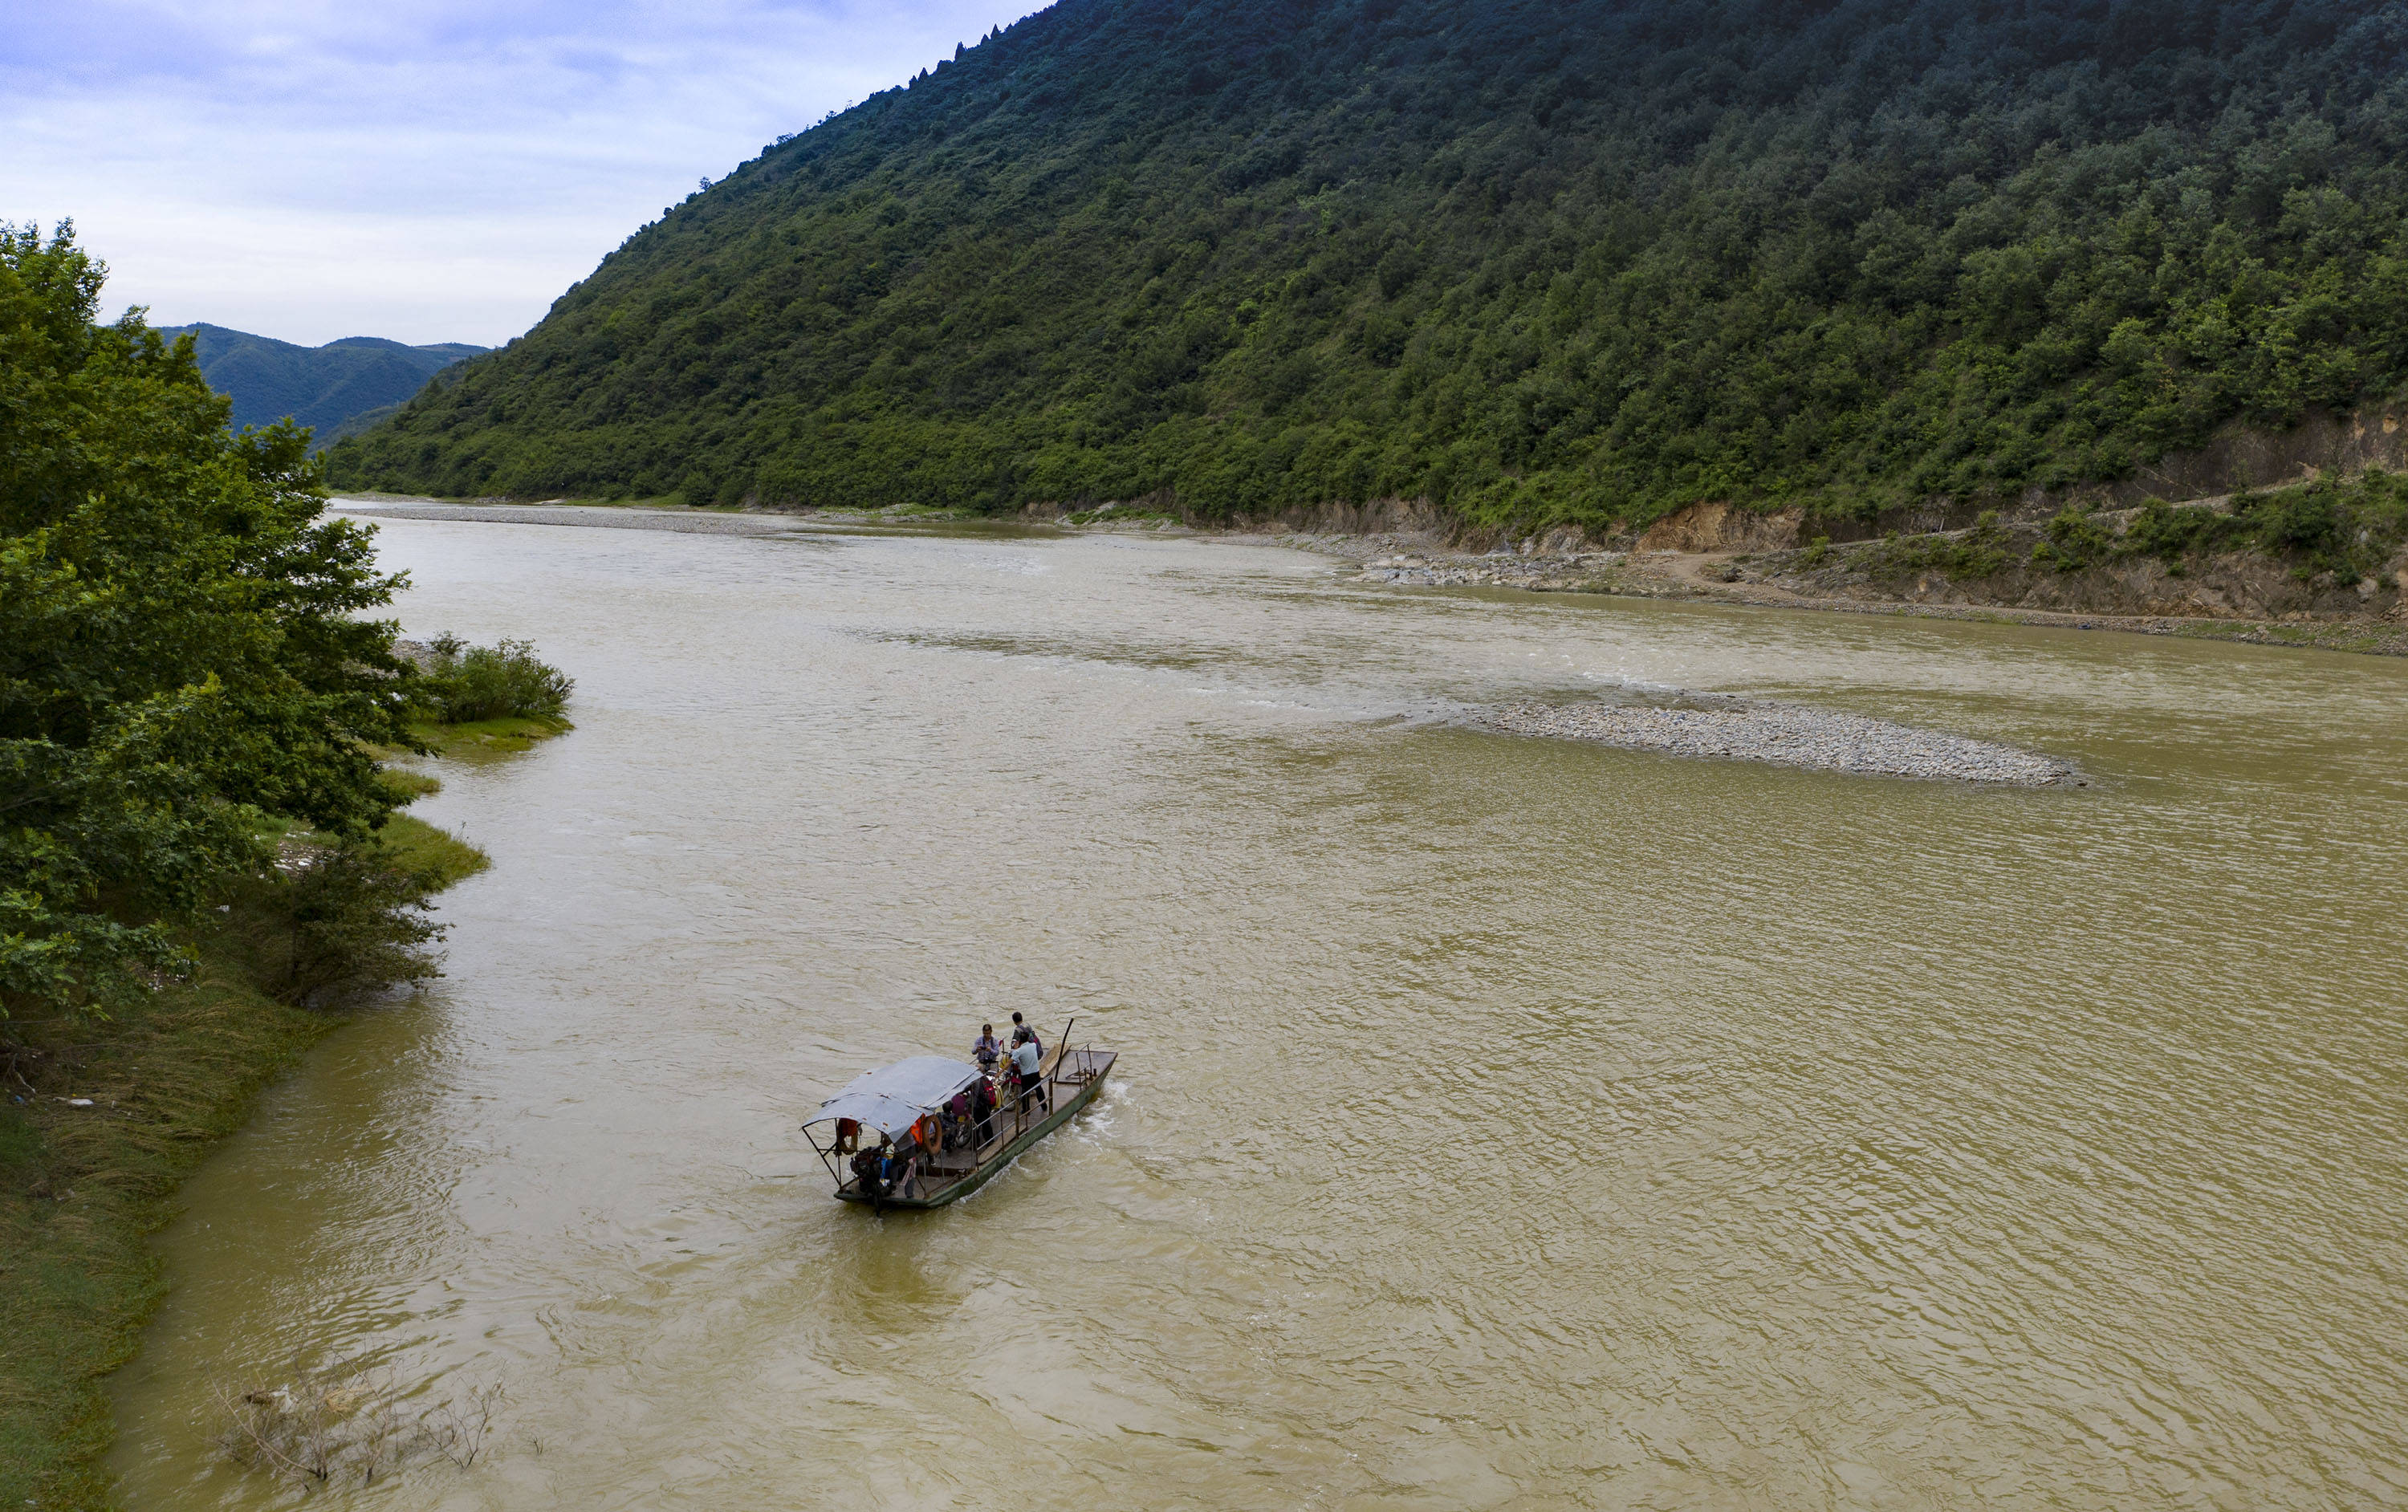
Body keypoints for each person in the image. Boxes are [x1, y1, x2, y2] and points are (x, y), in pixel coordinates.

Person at [1010, 1032, 1047, 1117]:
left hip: (1026, 1075)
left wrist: (1015, 1049)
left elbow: (1012, 1059)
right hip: (1035, 1072)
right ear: (1027, 1039)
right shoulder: (1033, 1045)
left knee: (1025, 1092)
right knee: (1039, 1089)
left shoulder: (1019, 1051)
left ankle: (1026, 1110)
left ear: (1020, 1040)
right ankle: (1044, 1106)